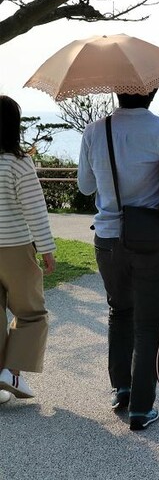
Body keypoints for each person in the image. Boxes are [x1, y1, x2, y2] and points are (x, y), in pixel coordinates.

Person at [77, 89, 159, 431]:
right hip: (152, 240)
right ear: (153, 90)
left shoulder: (95, 131)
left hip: (109, 238)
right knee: (147, 325)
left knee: (119, 311)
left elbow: (85, 186)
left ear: (117, 91)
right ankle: (141, 410)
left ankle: (122, 389)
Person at [0, 95, 56, 403]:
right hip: (15, 248)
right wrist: (47, 248)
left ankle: (2, 376)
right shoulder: (19, 163)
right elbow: (35, 209)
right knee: (32, 313)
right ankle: (12, 372)